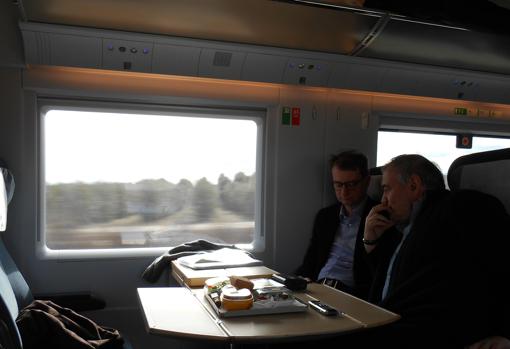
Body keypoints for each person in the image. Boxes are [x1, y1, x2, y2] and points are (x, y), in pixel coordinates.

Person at [357, 154, 510, 348]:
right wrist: (371, 240)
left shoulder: (463, 206)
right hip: (382, 321)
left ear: (413, 185)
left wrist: (504, 332)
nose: (383, 200)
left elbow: (499, 268)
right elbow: (388, 280)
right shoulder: (401, 230)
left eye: (387, 189)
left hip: (421, 330)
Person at [295, 150, 377, 299]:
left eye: (351, 184)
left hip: (352, 294)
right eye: (338, 185)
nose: (344, 192)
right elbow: (311, 260)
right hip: (318, 287)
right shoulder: (325, 217)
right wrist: (297, 280)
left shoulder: (377, 217)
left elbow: (377, 270)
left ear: (367, 181)